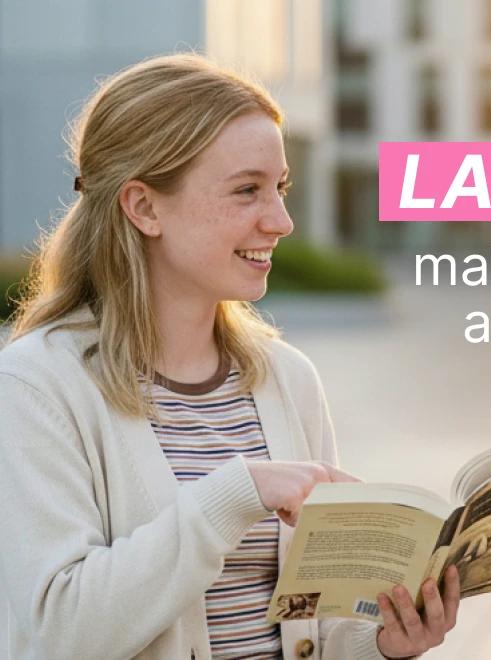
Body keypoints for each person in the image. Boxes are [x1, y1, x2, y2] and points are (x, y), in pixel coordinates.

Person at [0, 54, 459, 660]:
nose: (283, 220)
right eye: (248, 190)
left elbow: (310, 624)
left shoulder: (286, 379)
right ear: (143, 207)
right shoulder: (36, 387)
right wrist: (234, 497)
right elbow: (55, 635)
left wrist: (380, 643)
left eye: (281, 189)